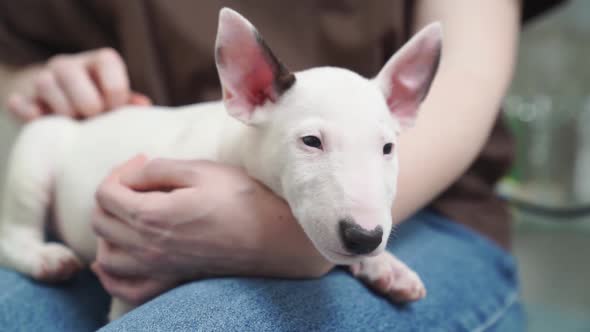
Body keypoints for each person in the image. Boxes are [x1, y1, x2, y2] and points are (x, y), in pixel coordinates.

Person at [0, 0, 565, 330]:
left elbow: (467, 77)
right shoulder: (231, 120)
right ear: (247, 88)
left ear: (403, 104)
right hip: (95, 228)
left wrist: (317, 248)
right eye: (312, 142)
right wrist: (32, 83)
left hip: (435, 214)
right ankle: (16, 237)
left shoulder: (387, 126)